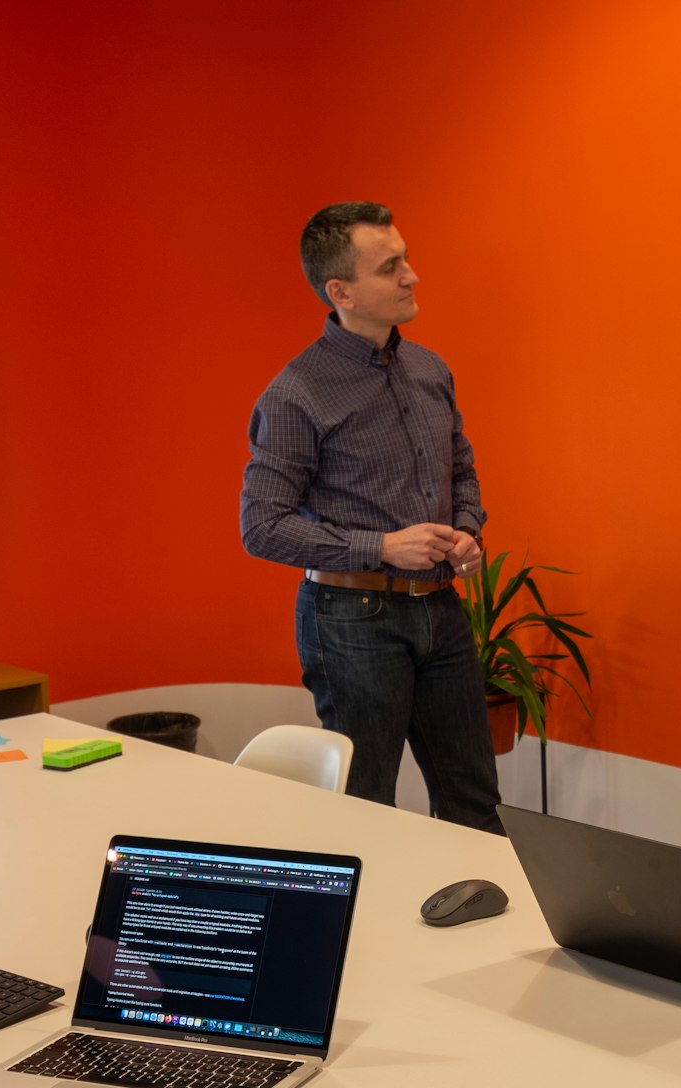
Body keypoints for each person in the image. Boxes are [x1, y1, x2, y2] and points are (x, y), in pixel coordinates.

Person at [240, 201, 502, 833]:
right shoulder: (296, 393)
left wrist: (467, 530)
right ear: (342, 292)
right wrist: (381, 546)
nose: (412, 275)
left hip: (440, 609)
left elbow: (460, 468)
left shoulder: (429, 369)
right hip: (351, 622)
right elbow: (261, 526)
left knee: (475, 804)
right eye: (391, 267)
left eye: (406, 259)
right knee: (364, 811)